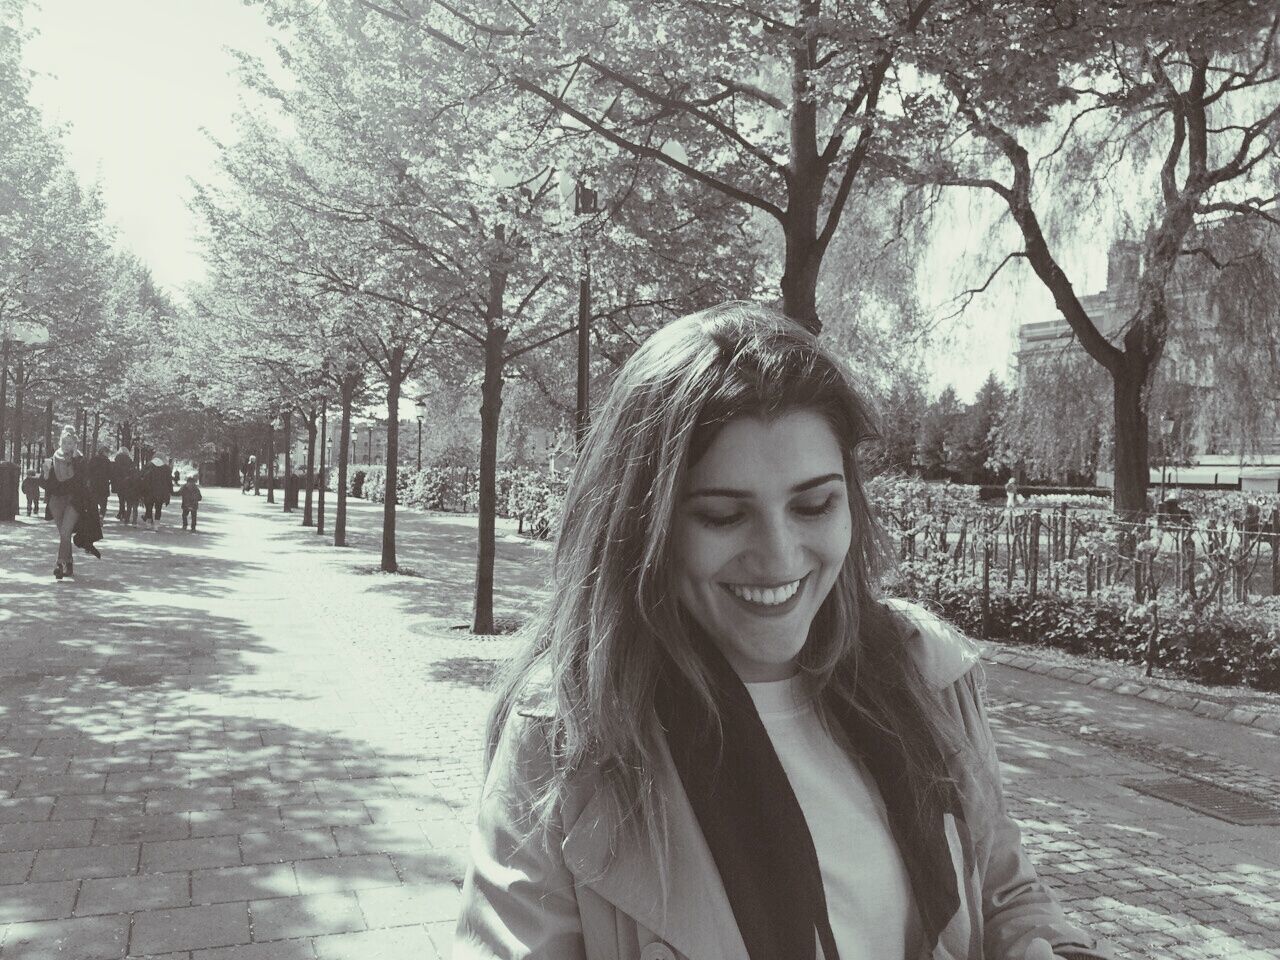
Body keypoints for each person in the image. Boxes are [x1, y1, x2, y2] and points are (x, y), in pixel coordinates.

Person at [454, 303, 1113, 960]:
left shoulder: (926, 674)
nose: (779, 557)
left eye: (814, 504)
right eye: (721, 515)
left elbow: (1004, 892)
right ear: (642, 528)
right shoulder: (571, 729)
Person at [39, 426, 87, 579]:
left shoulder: (79, 460)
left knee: (66, 532)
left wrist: (73, 461)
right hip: (56, 501)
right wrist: (46, 472)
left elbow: (83, 481)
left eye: (71, 443)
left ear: (75, 444)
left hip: (73, 500)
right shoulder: (53, 458)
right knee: (64, 535)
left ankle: (60, 564)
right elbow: (45, 484)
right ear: (60, 443)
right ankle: (70, 562)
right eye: (65, 443)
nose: (68, 446)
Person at [141, 454, 171, 530]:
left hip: (148, 491)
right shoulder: (166, 468)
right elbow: (168, 482)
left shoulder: (148, 465)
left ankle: (148, 524)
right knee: (158, 508)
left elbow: (142, 478)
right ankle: (156, 525)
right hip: (160, 492)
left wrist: (141, 491)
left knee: (149, 507)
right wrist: (169, 492)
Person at [111, 447, 140, 524]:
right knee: (128, 499)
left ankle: (121, 513)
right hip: (128, 483)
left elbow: (114, 472)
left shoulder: (116, 460)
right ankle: (127, 515)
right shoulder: (129, 460)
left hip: (119, 482)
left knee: (121, 499)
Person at [87, 447, 113, 519]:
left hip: (94, 483)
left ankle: (94, 516)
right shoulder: (107, 461)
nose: (108, 454)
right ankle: (101, 515)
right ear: (104, 452)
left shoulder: (93, 459)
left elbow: (88, 470)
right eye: (107, 452)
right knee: (104, 501)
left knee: (94, 500)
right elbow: (110, 473)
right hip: (104, 484)